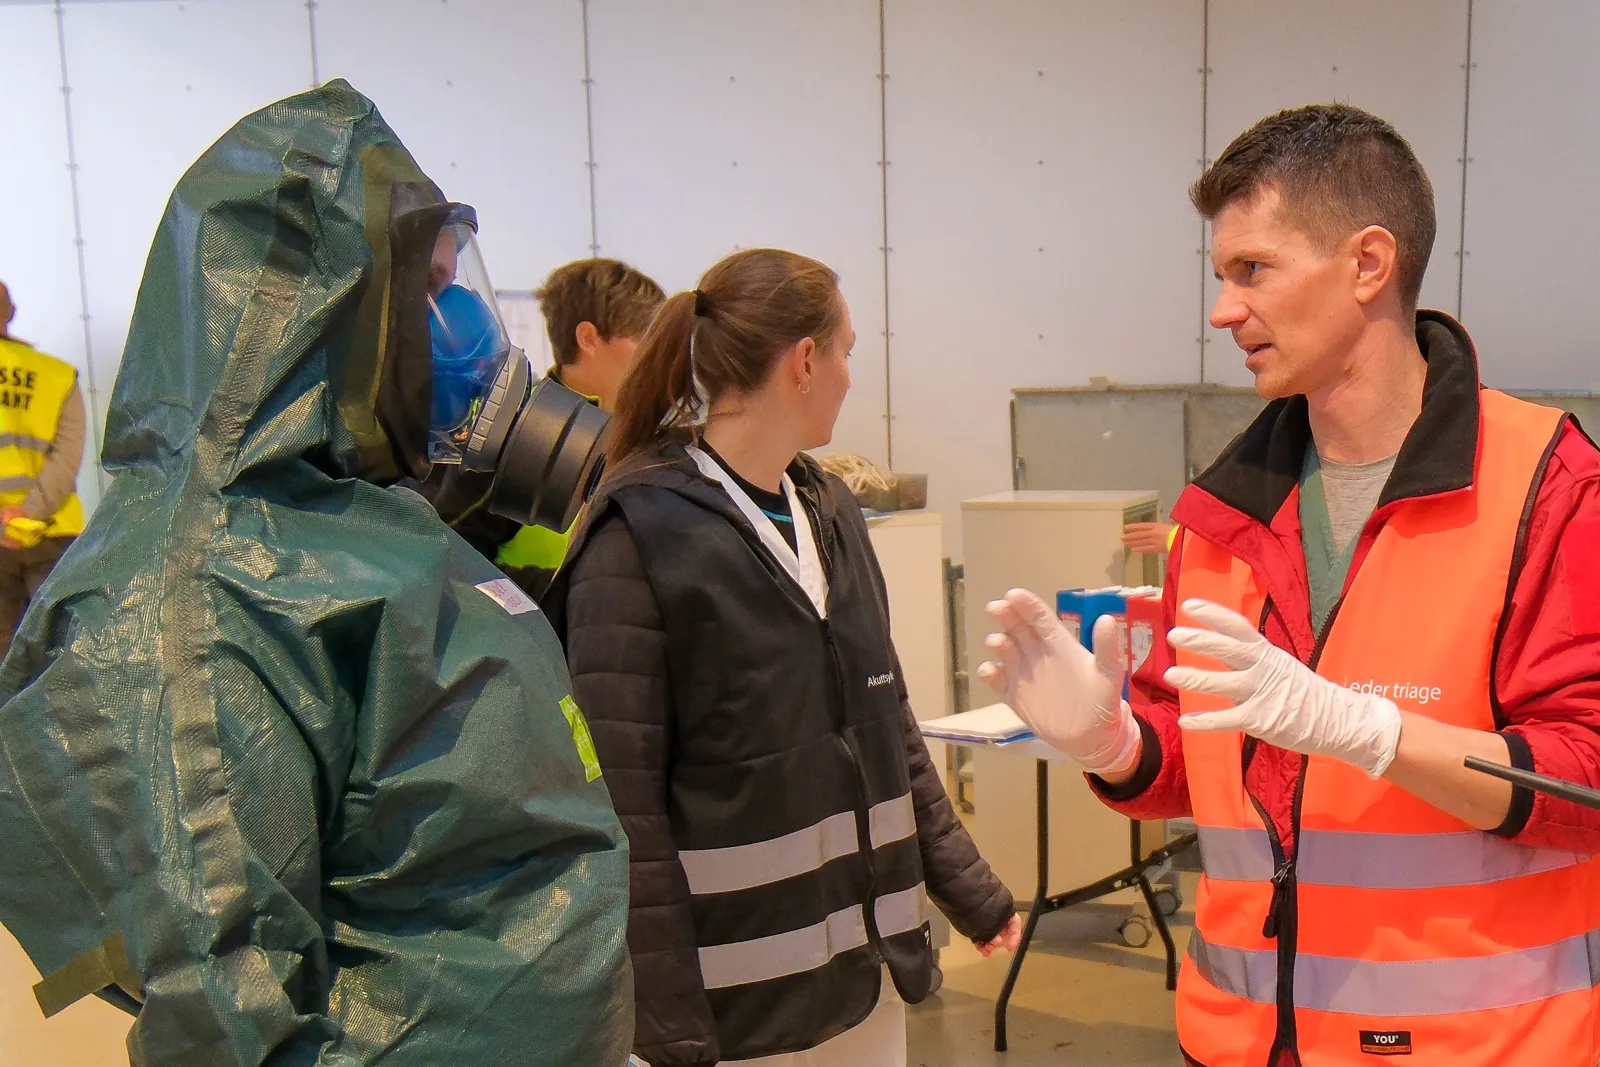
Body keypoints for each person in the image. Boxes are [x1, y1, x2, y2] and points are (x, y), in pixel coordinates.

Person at [0, 81, 631, 1065]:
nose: (458, 314)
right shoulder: (196, 594)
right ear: (312, 307)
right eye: (421, 287)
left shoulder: (369, 526)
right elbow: (219, 999)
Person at [980, 103, 1600, 1067]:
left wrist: (1372, 732)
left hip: (1470, 1044)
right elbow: (1204, 770)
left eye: (1252, 270)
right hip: (1244, 1041)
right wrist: (1116, 745)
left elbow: (1586, 780)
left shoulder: (1547, 485)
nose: (1224, 310)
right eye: (1222, 276)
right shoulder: (1226, 511)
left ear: (1367, 264)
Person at [547, 248, 1022, 1067]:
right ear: (805, 361)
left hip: (864, 980)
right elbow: (623, 811)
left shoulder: (829, 508)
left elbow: (885, 722)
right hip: (739, 1010)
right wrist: (663, 1025)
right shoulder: (639, 536)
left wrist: (969, 889)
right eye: (845, 351)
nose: (848, 375)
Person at [417, 257, 664, 595]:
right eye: (643, 341)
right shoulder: (514, 433)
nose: (654, 358)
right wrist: (567, 591)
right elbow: (451, 554)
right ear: (589, 338)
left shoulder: (646, 436)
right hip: (540, 637)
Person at [0, 282, 87, 659]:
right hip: (52, 535)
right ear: (10, 314)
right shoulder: (57, 375)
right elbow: (68, 456)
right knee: (58, 655)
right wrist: (29, 511)